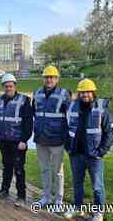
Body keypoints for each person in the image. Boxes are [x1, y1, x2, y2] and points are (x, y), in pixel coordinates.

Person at [64, 79, 113, 221]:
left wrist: (101, 151)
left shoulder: (101, 108)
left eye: (87, 92)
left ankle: (98, 212)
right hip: (76, 154)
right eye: (82, 92)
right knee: (77, 183)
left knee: (97, 186)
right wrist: (68, 147)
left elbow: (110, 133)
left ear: (93, 92)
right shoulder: (72, 107)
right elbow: (66, 129)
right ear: (79, 93)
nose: (85, 94)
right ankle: (78, 208)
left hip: (94, 156)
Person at [32, 65, 71, 207]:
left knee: (58, 171)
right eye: (46, 77)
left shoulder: (64, 94)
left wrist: (67, 139)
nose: (49, 79)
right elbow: (33, 113)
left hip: (57, 140)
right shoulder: (37, 93)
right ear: (43, 78)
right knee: (44, 169)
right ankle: (46, 197)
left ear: (57, 79)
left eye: (52, 77)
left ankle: (59, 199)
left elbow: (70, 118)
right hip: (40, 139)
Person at [0, 74, 33, 207]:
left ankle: (21, 196)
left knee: (19, 169)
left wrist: (24, 139)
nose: (8, 88)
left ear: (15, 86)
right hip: (3, 140)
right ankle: (4, 190)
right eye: (6, 86)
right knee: (7, 167)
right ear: (3, 87)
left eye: (10, 86)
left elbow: (28, 122)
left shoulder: (24, 100)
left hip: (18, 142)